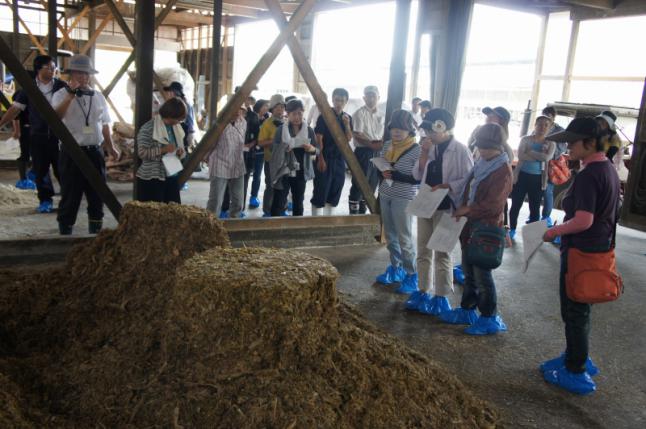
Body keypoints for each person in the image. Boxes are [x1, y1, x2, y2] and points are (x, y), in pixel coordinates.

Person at [540, 117, 620, 395]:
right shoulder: (606, 168)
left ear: (589, 142)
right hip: (598, 248)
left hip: (581, 251)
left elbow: (584, 220)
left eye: (572, 142)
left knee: (573, 310)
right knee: (582, 309)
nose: (567, 147)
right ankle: (577, 355)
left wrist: (554, 231)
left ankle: (575, 369)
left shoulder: (589, 175)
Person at [440, 123, 512, 335]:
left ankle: (489, 316)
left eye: (487, 147)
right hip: (469, 226)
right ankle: (467, 309)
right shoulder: (481, 163)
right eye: (480, 146)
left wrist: (467, 209)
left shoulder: (502, 171)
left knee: (482, 275)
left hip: (485, 229)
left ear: (499, 147)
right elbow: (468, 187)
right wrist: (461, 208)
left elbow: (494, 205)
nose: (482, 151)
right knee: (468, 271)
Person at [406, 109, 473, 315]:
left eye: (430, 130)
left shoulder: (460, 150)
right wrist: (424, 152)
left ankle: (441, 296)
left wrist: (448, 185)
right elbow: (417, 174)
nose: (427, 135)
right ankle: (423, 290)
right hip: (426, 204)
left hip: (447, 206)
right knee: (423, 249)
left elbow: (469, 179)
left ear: (442, 127)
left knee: (442, 252)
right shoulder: (430, 148)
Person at [52, 54, 119, 235]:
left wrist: (110, 146)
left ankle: (95, 230)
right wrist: (70, 96)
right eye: (79, 73)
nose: (83, 77)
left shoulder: (98, 96)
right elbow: (56, 117)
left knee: (97, 192)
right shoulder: (60, 95)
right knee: (71, 194)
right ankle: (65, 230)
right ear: (71, 74)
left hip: (94, 151)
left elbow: (104, 123)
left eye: (86, 73)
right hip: (72, 152)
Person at [0, 55, 68, 213]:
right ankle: (45, 200)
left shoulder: (61, 86)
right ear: (39, 69)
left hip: (60, 137)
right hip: (38, 136)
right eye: (49, 67)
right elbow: (15, 109)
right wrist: (1, 123)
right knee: (41, 170)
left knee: (62, 169)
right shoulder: (29, 88)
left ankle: (67, 200)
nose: (53, 70)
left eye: (54, 68)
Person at [374, 110, 421, 293]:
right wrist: (382, 172)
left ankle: (412, 275)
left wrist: (396, 174)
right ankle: (396, 268)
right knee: (390, 235)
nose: (397, 132)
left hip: (404, 197)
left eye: (401, 128)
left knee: (405, 237)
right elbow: (382, 168)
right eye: (394, 128)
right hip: (385, 193)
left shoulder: (417, 150)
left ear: (410, 130)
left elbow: (417, 178)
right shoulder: (387, 146)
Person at [508, 115, 556, 240]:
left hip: (538, 179)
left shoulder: (551, 143)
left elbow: (546, 158)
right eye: (540, 124)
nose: (542, 127)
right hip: (522, 176)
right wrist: (538, 156)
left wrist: (529, 152)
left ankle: (534, 235)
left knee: (534, 208)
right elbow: (520, 156)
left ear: (550, 128)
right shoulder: (525, 139)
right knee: (515, 205)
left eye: (546, 125)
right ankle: (511, 229)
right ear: (535, 125)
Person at [269, 99, 318, 217]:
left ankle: (297, 229)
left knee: (298, 201)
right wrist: (283, 148)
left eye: (300, 113)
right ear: (288, 114)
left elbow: (317, 150)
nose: (297, 117)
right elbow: (273, 150)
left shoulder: (309, 130)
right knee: (279, 201)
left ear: (303, 113)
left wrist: (311, 149)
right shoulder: (281, 129)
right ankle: (275, 228)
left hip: (301, 171)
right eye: (294, 114)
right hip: (283, 170)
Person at [135, 97, 187, 204]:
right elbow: (142, 153)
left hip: (171, 175)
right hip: (152, 178)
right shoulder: (148, 128)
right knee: (153, 216)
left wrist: (178, 152)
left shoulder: (175, 128)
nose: (179, 122)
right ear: (171, 115)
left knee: (174, 213)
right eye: (178, 119)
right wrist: (162, 150)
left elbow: (177, 147)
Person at [311, 88, 353, 215]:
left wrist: (346, 125)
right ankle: (316, 224)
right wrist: (321, 158)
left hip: (339, 159)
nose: (338, 103)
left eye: (342, 100)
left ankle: (328, 222)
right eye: (336, 100)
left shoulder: (348, 118)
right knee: (321, 189)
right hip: (325, 157)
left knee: (336, 189)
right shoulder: (324, 116)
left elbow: (349, 138)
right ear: (332, 100)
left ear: (346, 102)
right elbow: (319, 138)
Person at [206, 105, 247, 218]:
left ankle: (234, 224)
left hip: (237, 164)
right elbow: (210, 143)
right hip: (220, 162)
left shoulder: (243, 122)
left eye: (241, 109)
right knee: (216, 200)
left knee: (238, 201)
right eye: (236, 108)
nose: (238, 112)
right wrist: (206, 157)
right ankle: (211, 225)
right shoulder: (219, 123)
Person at [349, 85, 384, 214]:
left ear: (378, 97)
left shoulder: (382, 115)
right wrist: (371, 144)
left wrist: (379, 144)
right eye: (368, 95)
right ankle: (353, 217)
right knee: (359, 183)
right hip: (363, 152)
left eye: (373, 95)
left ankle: (363, 215)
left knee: (372, 184)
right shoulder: (359, 113)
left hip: (378, 152)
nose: (371, 98)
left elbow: (384, 134)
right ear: (364, 98)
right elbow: (357, 135)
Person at [258, 94, 286, 216]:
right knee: (271, 186)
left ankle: (281, 209)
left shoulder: (287, 123)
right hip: (270, 161)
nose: (280, 110)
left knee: (283, 187)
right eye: (277, 107)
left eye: (282, 107)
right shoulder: (267, 124)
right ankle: (267, 211)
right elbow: (260, 142)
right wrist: (275, 140)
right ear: (272, 109)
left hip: (285, 161)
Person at [540, 106, 566, 226]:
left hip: (550, 166)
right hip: (536, 163)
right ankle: (534, 217)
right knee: (535, 191)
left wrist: (549, 152)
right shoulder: (537, 127)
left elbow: (562, 148)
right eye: (544, 115)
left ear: (553, 117)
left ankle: (546, 217)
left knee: (547, 192)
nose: (546, 119)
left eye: (549, 116)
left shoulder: (560, 130)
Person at [11, 89, 36, 190]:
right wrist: (17, 131)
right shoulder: (21, 93)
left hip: (36, 128)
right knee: (25, 153)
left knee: (38, 152)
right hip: (25, 127)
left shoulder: (38, 93)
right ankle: (23, 179)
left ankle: (32, 174)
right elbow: (15, 115)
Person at [163, 82, 195, 154]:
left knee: (181, 152)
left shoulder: (183, 105)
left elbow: (188, 123)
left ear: (174, 93)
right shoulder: (181, 104)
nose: (168, 95)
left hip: (183, 133)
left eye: (170, 92)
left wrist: (189, 138)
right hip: (183, 132)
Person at [248, 99, 269, 209]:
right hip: (250, 151)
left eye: (267, 106)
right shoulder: (251, 117)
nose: (266, 108)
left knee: (257, 175)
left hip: (261, 152)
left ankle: (253, 196)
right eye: (264, 106)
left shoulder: (267, 119)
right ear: (259, 106)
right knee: (245, 175)